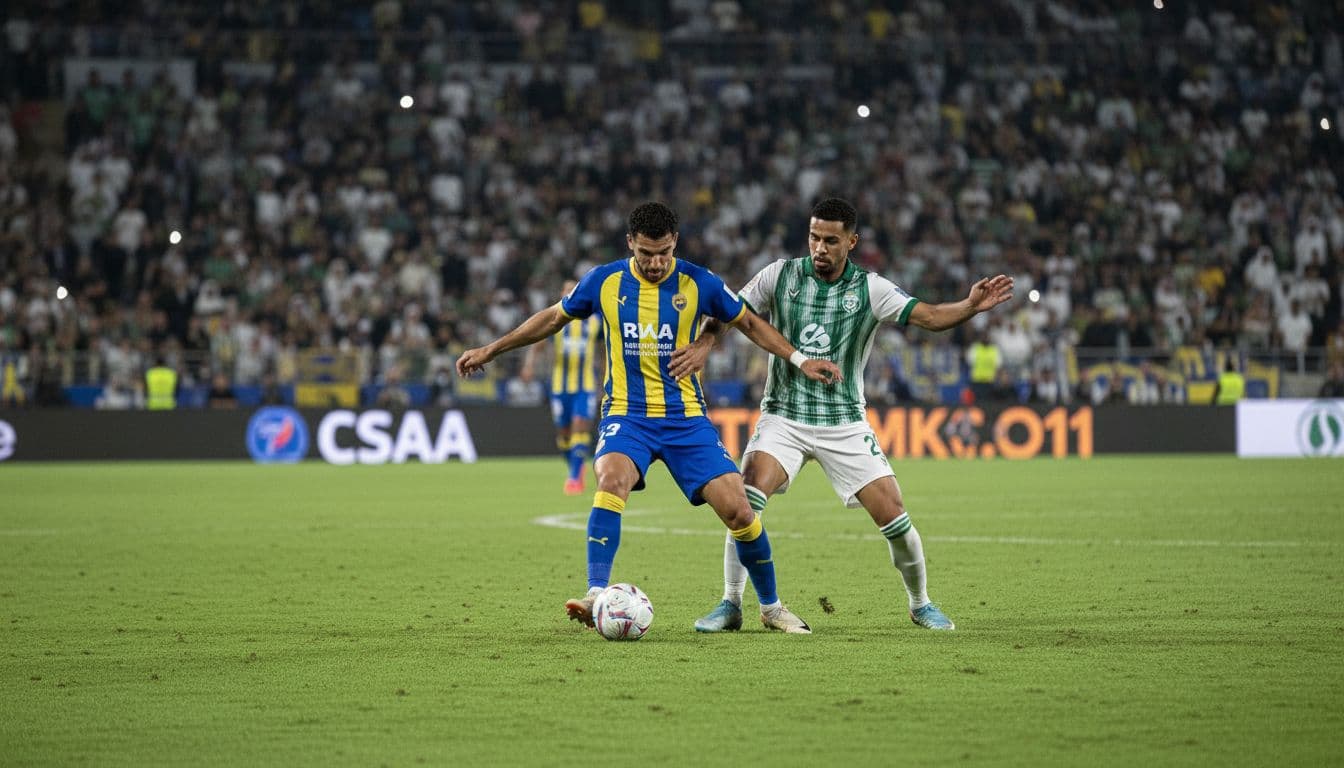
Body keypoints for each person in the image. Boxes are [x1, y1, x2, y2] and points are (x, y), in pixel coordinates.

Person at [456, 202, 843, 634]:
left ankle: (771, 609)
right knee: (611, 479)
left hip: (685, 418)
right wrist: (491, 349)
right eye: (646, 253)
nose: (656, 263)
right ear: (630, 245)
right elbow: (552, 318)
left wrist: (798, 358)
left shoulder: (699, 281)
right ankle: (595, 593)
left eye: (663, 252)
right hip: (627, 414)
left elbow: (748, 323)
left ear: (674, 242)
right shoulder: (605, 281)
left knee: (739, 510)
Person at [671, 197, 1013, 633]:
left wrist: (967, 307)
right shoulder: (780, 275)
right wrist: (705, 343)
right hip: (784, 418)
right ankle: (731, 602)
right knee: (746, 498)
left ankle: (920, 602)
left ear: (851, 242)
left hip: (844, 422)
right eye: (814, 237)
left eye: (831, 240)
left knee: (893, 512)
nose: (820, 247)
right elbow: (730, 311)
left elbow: (926, 315)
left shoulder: (870, 289)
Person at [524, 281, 604, 494]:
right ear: (562, 294)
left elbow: (605, 349)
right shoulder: (557, 319)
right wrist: (529, 366)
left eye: (573, 289)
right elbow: (537, 343)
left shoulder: (595, 321)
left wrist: (606, 378)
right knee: (564, 436)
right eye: (566, 290)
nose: (570, 293)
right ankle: (576, 468)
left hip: (584, 386)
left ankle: (574, 478)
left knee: (580, 426)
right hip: (560, 386)